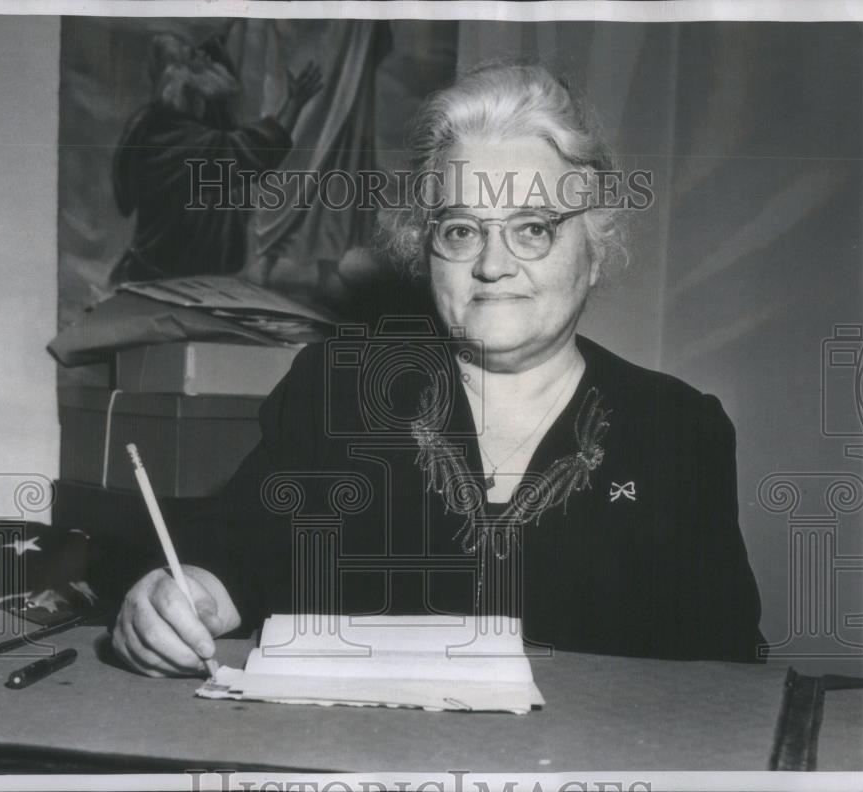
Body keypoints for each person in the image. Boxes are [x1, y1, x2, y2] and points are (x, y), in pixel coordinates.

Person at [112, 63, 765, 677]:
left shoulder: (675, 429)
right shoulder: (338, 389)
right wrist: (182, 593)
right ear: (426, 251)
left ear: (593, 249)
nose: (491, 264)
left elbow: (720, 672)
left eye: (532, 227)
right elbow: (233, 552)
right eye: (460, 230)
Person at [110, 29, 322, 282]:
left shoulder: (161, 123)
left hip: (182, 279)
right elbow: (254, 150)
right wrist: (294, 103)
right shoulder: (177, 139)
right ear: (181, 78)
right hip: (162, 281)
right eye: (193, 54)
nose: (204, 55)